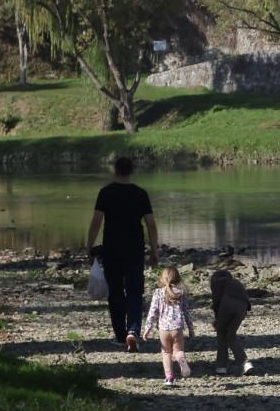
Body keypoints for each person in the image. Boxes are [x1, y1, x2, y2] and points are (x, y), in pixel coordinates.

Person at [87, 157, 158, 352]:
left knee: (115, 292)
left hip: (112, 249)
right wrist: (154, 251)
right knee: (135, 290)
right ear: (131, 170)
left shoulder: (106, 192)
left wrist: (89, 245)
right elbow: (151, 223)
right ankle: (133, 331)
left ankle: (120, 335)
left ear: (115, 170)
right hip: (134, 249)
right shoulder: (140, 194)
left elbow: (96, 221)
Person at [142, 266, 195, 387]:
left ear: (162, 279)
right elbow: (186, 312)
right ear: (177, 278)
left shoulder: (158, 293)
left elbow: (153, 312)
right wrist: (191, 329)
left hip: (163, 329)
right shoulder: (181, 293)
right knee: (178, 351)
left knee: (166, 353)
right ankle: (181, 359)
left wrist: (147, 329)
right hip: (177, 328)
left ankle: (169, 378)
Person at [210, 269, 253, 376]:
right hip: (243, 307)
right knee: (231, 335)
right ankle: (245, 364)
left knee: (221, 333)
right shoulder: (235, 283)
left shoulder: (217, 283)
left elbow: (216, 302)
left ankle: (221, 367)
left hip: (227, 303)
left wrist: (217, 319)